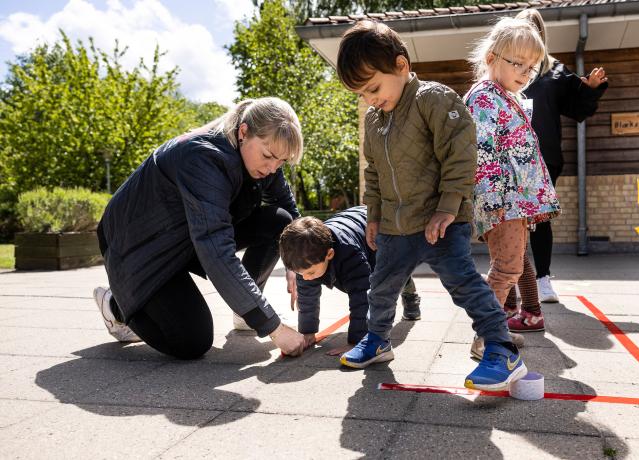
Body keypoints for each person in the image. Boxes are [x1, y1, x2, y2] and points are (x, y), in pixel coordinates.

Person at [335, 20, 527, 391]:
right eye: (361, 94)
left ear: (401, 66)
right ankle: (378, 341)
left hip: (440, 222)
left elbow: (461, 152)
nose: (370, 99)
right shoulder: (375, 122)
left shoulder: (433, 99)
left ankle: (502, 349)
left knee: (464, 284)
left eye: (373, 87)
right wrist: (373, 216)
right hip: (394, 226)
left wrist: (449, 205)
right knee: (382, 285)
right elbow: (373, 173)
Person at [93, 97, 309, 359]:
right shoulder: (203, 158)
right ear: (243, 133)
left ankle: (246, 312)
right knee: (192, 341)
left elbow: (289, 212)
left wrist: (297, 261)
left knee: (281, 222)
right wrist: (273, 327)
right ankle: (115, 305)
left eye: (281, 161)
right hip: (138, 249)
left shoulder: (264, 158)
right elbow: (215, 247)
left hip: (184, 236)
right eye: (268, 156)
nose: (273, 167)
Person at [465, 17, 561, 335]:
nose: (525, 73)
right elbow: (481, 152)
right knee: (507, 268)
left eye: (531, 67)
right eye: (518, 63)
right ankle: (487, 334)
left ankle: (492, 331)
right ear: (492, 58)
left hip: (514, 202)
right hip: (502, 201)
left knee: (513, 266)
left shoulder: (505, 97)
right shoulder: (484, 98)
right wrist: (497, 202)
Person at [516, 8, 608, 304]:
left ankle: (542, 280)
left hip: (544, 157)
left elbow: (578, 108)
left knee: (539, 219)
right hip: (509, 158)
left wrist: (592, 90)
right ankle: (512, 278)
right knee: (512, 220)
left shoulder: (554, 71)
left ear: (541, 36)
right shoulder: (506, 67)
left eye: (533, 31)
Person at [278, 206, 421, 356]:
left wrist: (356, 342)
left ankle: (410, 296)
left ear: (329, 254)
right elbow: (307, 298)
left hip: (379, 234)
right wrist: (307, 332)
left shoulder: (350, 254)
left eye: (310, 272)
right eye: (300, 274)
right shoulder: (306, 257)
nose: (305, 277)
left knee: (392, 275)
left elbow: (361, 297)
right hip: (354, 228)